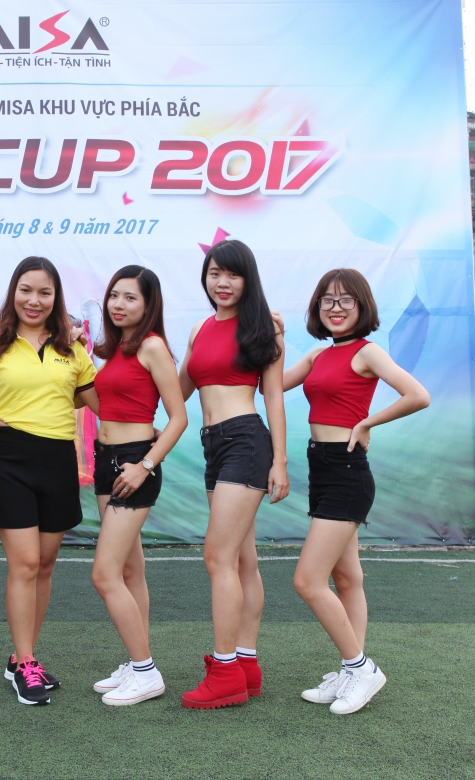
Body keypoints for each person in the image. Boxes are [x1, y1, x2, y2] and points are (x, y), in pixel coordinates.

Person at [283, 268, 429, 715]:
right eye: (327, 300)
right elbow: (273, 384)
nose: (336, 307)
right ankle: (352, 672)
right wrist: (274, 338)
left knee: (308, 580)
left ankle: (361, 668)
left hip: (347, 471)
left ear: (361, 306)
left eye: (346, 300)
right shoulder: (317, 356)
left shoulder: (368, 352)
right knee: (347, 578)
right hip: (322, 467)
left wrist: (367, 423)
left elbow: (417, 395)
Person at [0, 256, 98, 706]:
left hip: (58, 461)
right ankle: (27, 663)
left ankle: (22, 658)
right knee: (24, 564)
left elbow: (100, 400)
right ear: (13, 293)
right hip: (10, 461)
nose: (34, 300)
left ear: (56, 298)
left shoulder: (72, 350)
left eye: (44, 292)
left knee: (46, 563)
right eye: (26, 290)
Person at [177, 240, 288, 709]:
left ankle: (224, 671)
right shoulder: (200, 329)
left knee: (217, 558)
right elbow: (177, 390)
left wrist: (279, 460)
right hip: (213, 445)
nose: (222, 283)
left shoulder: (264, 327)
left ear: (248, 279)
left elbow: (274, 396)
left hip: (246, 441)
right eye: (214, 273)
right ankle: (246, 665)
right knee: (242, 560)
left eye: (233, 274)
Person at [89, 266, 188, 706]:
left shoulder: (152, 346)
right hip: (105, 462)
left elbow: (178, 417)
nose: (118, 304)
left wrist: (145, 465)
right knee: (131, 570)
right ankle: (136, 663)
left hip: (134, 465)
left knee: (104, 573)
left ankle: (145, 671)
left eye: (130, 297)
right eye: (114, 295)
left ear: (148, 305)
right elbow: (102, 403)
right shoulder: (115, 350)